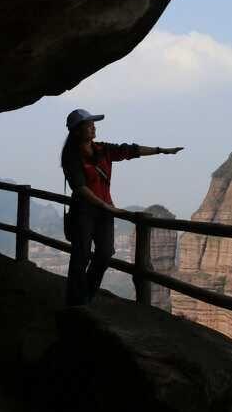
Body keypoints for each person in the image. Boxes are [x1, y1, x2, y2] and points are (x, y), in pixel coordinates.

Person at [60, 108, 183, 305]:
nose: (93, 127)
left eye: (93, 124)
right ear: (76, 131)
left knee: (105, 253)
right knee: (80, 256)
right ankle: (75, 301)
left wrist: (161, 150)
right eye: (88, 125)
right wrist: (107, 207)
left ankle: (86, 294)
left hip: (104, 211)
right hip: (84, 211)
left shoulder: (102, 150)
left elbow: (130, 150)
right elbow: (80, 188)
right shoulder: (71, 156)